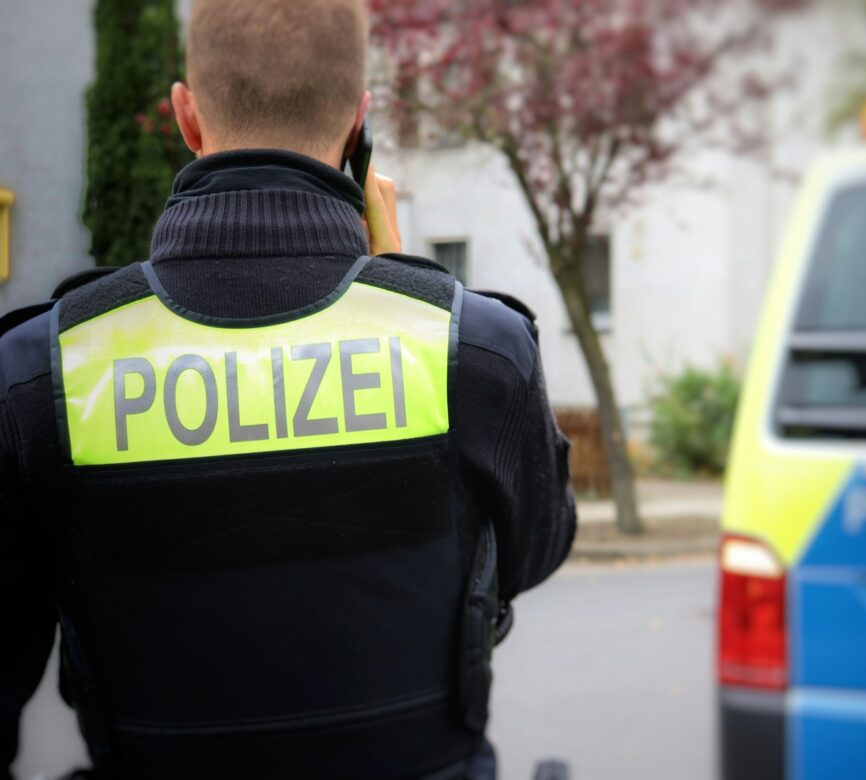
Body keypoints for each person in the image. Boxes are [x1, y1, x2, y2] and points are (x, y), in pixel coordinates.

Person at [0, 1, 576, 778]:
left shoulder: (38, 374)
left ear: (187, 117)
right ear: (359, 125)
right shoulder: (479, 352)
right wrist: (401, 288)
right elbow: (533, 551)